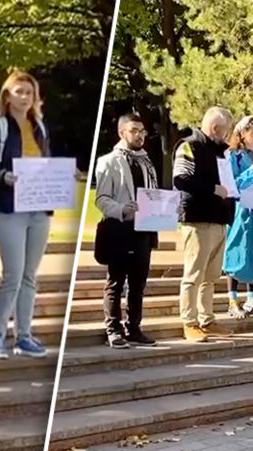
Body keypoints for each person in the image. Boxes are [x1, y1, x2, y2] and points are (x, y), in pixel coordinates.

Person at [0, 70, 51, 360]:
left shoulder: (40, 127)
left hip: (38, 209)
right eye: (18, 91)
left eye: (29, 92)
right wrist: (3, 176)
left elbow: (45, 163)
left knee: (29, 277)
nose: (24, 97)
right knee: (12, 276)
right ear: (7, 96)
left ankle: (24, 336)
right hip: (9, 209)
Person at [94, 113, 159, 349]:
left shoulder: (147, 161)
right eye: (134, 131)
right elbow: (101, 198)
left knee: (138, 282)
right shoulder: (109, 161)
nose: (140, 135)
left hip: (144, 228)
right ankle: (113, 328)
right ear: (122, 133)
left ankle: (134, 327)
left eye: (142, 131)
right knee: (116, 281)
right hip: (119, 228)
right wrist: (121, 209)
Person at [172, 107, 234, 343]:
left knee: (212, 274)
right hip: (197, 218)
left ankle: (207, 319)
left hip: (218, 219)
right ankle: (189, 321)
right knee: (194, 273)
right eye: (225, 130)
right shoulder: (189, 145)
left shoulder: (221, 152)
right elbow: (181, 179)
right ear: (215, 128)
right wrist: (212, 189)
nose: (227, 136)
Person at [223, 116, 253, 319]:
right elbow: (231, 184)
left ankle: (252, 298)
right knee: (236, 251)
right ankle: (232, 300)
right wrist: (252, 170)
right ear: (242, 134)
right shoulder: (232, 156)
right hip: (240, 210)